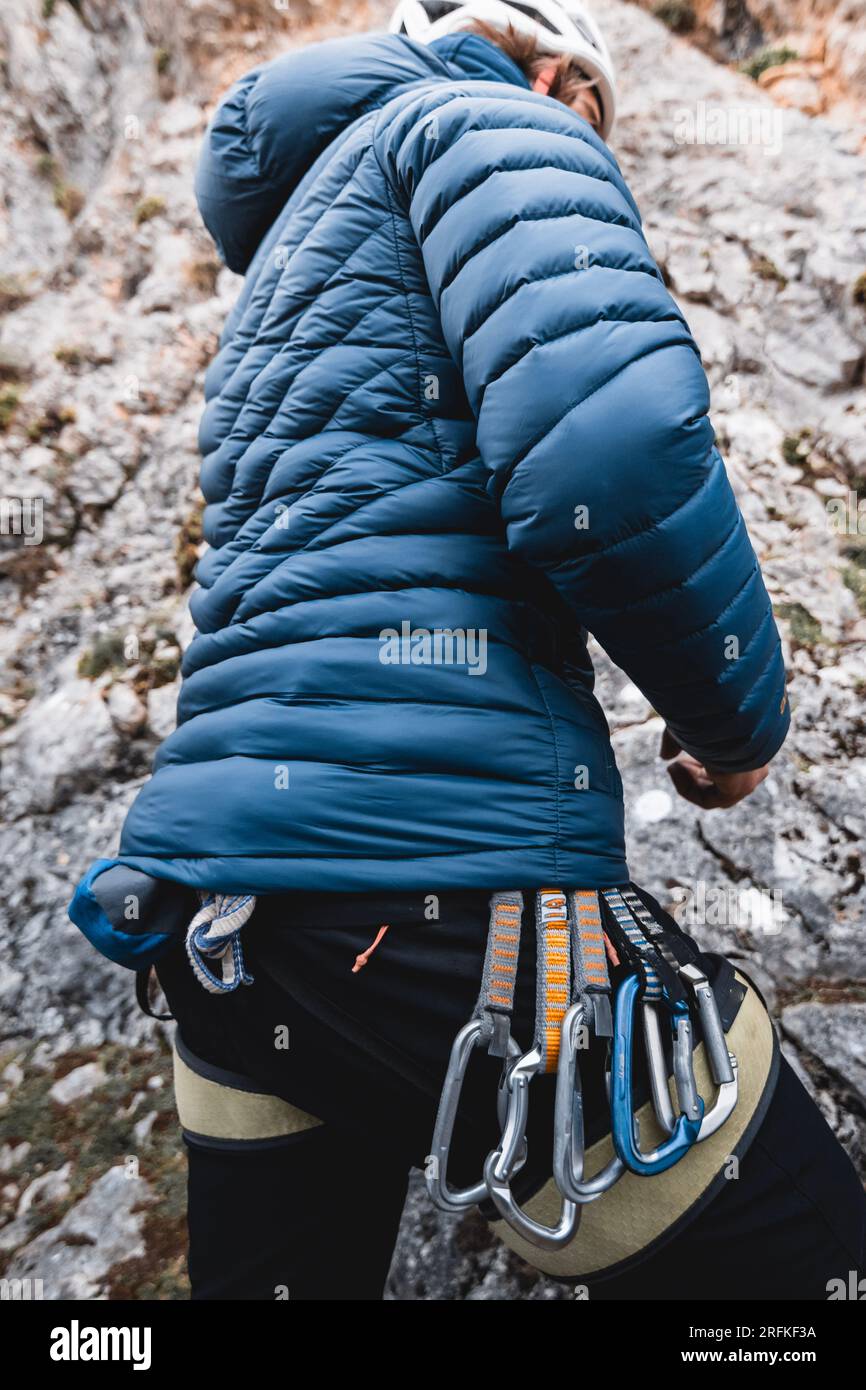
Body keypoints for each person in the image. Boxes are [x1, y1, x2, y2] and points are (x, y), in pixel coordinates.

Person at [70, 0, 865, 1300]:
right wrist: (735, 719)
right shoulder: (494, 116)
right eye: (599, 126)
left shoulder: (288, 262)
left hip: (220, 923)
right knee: (802, 1267)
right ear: (557, 70)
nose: (600, 159)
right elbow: (605, 443)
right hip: (440, 895)